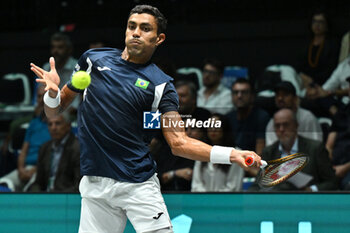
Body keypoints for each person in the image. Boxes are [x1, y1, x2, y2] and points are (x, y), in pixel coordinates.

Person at [31, 5, 261, 233]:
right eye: (131, 26)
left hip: (137, 186)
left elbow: (179, 143)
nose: (136, 32)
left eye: (145, 28)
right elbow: (55, 110)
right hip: (95, 185)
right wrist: (52, 94)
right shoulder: (92, 61)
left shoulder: (162, 85)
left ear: (159, 38)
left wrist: (232, 154)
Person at [250, 108, 337, 191]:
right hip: (277, 200)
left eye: (286, 125)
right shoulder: (269, 152)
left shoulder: (315, 148)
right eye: (277, 126)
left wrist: (311, 190)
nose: (281, 129)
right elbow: (257, 185)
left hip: (307, 200)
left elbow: (332, 182)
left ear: (296, 126)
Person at [151, 81, 211, 191]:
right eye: (175, 96)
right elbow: (154, 143)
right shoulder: (165, 116)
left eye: (183, 96)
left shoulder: (204, 116)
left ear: (194, 99)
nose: (178, 99)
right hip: (169, 162)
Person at [0, 85, 51, 191]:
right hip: (26, 169)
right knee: (3, 185)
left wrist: (35, 169)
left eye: (44, 96)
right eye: (39, 96)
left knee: (34, 189)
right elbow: (23, 151)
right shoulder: (34, 123)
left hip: (45, 171)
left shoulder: (58, 124)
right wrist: (20, 169)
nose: (41, 100)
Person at [191, 114, 244, 192]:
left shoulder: (236, 153)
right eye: (210, 126)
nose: (213, 129)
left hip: (227, 202)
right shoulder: (201, 151)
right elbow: (196, 184)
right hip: (203, 201)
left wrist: (214, 199)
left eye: (217, 126)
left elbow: (233, 187)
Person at [29, 112, 80, 192]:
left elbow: (79, 185)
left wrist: (56, 196)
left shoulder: (77, 148)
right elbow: (39, 182)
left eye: (58, 123)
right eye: (50, 124)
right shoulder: (44, 148)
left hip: (67, 197)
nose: (53, 128)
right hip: (47, 196)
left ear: (68, 126)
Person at [265, 81, 323, 146]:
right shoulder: (272, 123)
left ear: (295, 98)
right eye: (277, 95)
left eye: (285, 95)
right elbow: (271, 152)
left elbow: (316, 148)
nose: (280, 98)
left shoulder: (307, 118)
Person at [226, 78, 270, 155]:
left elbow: (260, 151)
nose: (239, 96)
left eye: (244, 92)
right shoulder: (228, 117)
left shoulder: (261, 117)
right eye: (236, 92)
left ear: (252, 96)